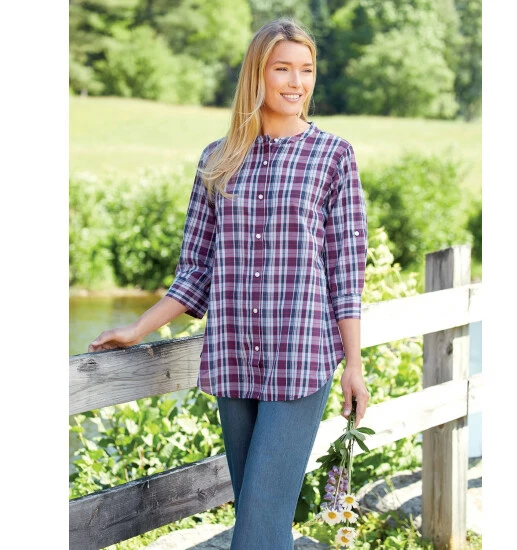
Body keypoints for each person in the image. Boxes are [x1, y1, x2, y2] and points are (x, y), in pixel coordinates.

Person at [88, 17, 370, 549]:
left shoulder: (333, 156)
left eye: (306, 69)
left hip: (302, 357)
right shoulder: (217, 160)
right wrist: (137, 329)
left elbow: (346, 270)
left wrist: (353, 364)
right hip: (233, 357)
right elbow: (195, 269)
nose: (296, 82)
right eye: (282, 68)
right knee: (261, 525)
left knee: (256, 530)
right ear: (256, 75)